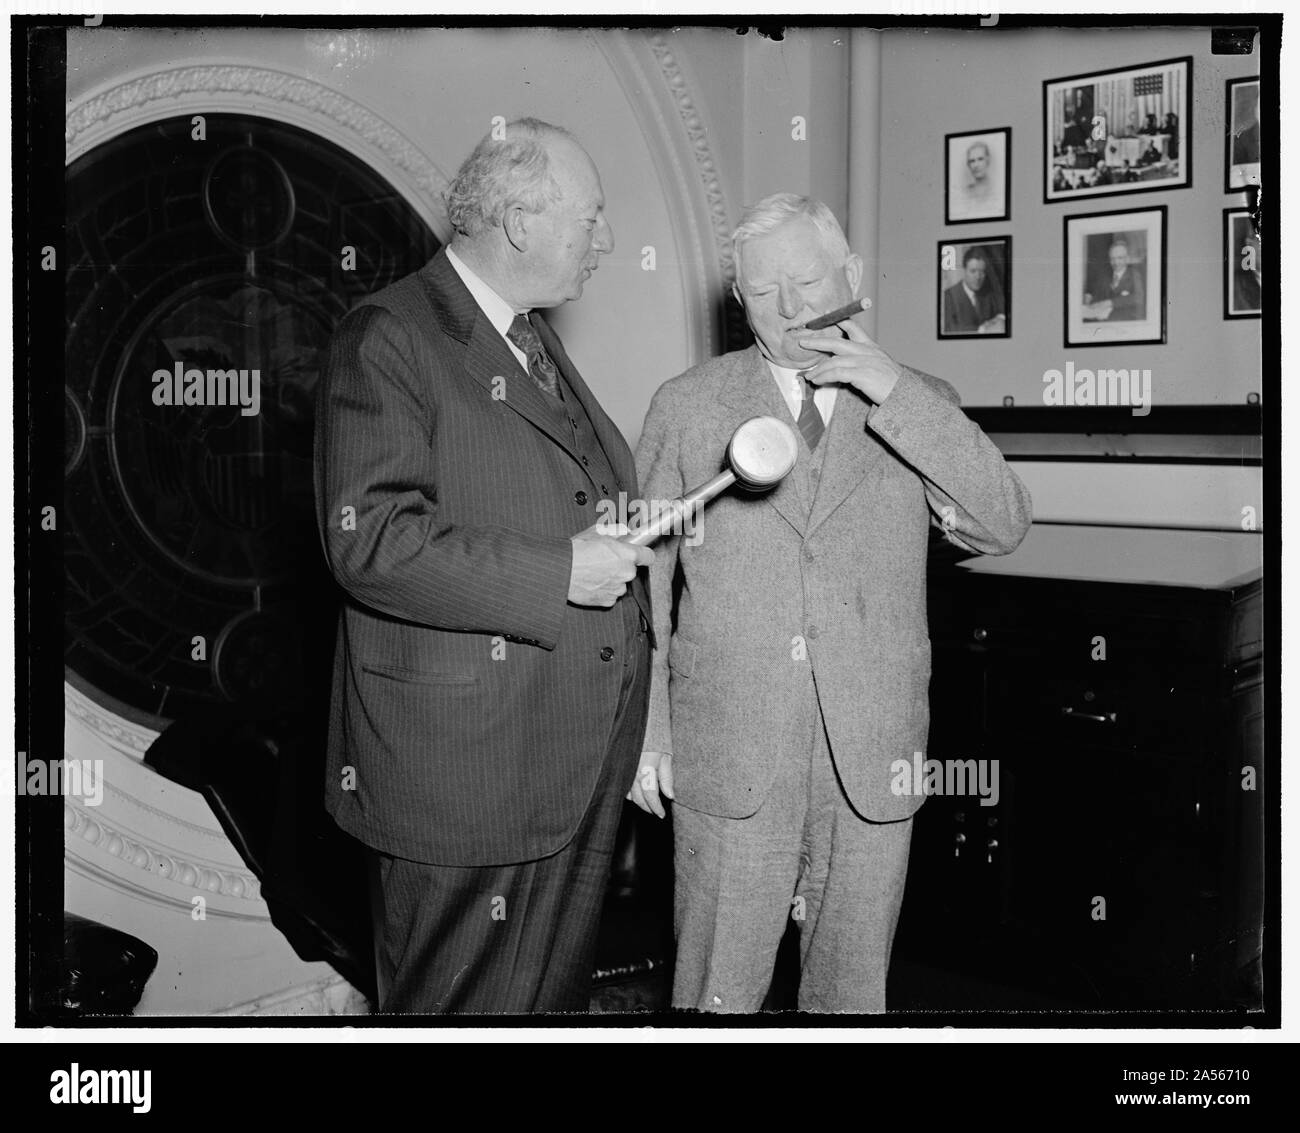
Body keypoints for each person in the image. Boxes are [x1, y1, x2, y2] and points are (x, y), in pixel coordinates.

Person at [632, 194, 1031, 1012]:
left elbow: (1003, 523)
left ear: (851, 277)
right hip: (729, 752)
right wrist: (648, 734)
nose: (791, 309)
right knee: (715, 995)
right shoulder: (687, 402)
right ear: (738, 301)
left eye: (809, 281)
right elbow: (644, 580)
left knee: (851, 998)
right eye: (763, 292)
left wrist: (893, 388)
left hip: (872, 751)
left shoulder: (918, 402)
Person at [313, 117, 654, 1013]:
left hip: (565, 763)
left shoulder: (526, 336)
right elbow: (370, 539)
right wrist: (558, 572)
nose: (606, 240)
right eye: (592, 217)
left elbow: (544, 493)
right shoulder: (388, 334)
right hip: (464, 778)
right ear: (518, 223)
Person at [942, 246, 1005, 334]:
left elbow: (1001, 314)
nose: (978, 277)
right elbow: (948, 330)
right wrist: (983, 329)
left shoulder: (988, 294)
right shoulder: (948, 296)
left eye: (982, 272)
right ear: (964, 271)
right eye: (973, 271)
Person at [1084, 238, 1145, 322]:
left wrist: (1111, 302)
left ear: (1127, 259)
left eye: (1120, 258)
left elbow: (1139, 297)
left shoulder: (1134, 275)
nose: (1115, 262)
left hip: (1125, 323)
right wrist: (1090, 301)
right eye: (1112, 259)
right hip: (1102, 322)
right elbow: (1097, 298)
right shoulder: (1105, 277)